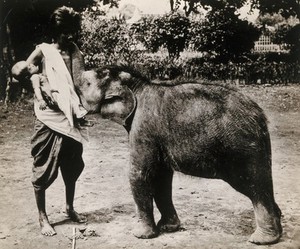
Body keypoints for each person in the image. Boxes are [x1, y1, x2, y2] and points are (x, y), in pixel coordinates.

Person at [19, 6, 89, 236]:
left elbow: (79, 83)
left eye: (72, 32)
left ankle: (69, 207)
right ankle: (43, 217)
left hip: (70, 116)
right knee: (43, 166)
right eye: (65, 32)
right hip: (48, 117)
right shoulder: (43, 51)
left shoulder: (75, 52)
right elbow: (21, 72)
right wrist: (36, 81)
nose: (69, 37)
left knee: (73, 165)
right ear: (55, 31)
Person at [11, 60, 91, 125]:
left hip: (54, 93)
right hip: (53, 96)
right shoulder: (35, 78)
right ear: (27, 76)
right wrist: (41, 100)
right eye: (29, 68)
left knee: (70, 99)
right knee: (68, 104)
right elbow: (37, 89)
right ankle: (79, 119)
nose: (32, 65)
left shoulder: (38, 75)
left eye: (30, 64)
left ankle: (78, 117)